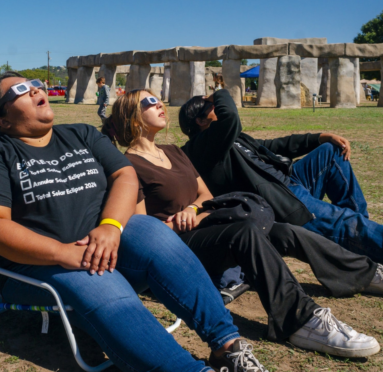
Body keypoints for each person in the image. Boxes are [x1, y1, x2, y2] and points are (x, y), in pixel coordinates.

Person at [0, 71, 268, 372]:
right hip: (39, 265)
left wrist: (110, 226)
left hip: (105, 245)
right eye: (19, 91)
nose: (34, 90)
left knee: (149, 230)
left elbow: (125, 175)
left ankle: (228, 347)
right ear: (2, 120)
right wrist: (62, 253)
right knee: (96, 274)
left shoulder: (81, 134)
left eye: (34, 84)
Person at [102, 88, 382, 357]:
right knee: (245, 232)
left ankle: (365, 273)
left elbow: (205, 195)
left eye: (158, 97)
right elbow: (141, 231)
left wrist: (193, 209)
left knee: (285, 232)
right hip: (176, 244)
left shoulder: (174, 151)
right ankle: (300, 321)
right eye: (150, 101)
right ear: (134, 117)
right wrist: (177, 223)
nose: (160, 103)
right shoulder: (130, 166)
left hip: (204, 224)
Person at [180, 90, 383, 263]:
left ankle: (363, 241)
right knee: (346, 222)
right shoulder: (202, 148)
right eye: (213, 107)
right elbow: (231, 116)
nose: (218, 107)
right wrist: (219, 93)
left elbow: (272, 146)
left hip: (289, 182)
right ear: (199, 120)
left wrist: (320, 137)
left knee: (330, 151)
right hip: (282, 201)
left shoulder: (230, 139)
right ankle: (363, 237)